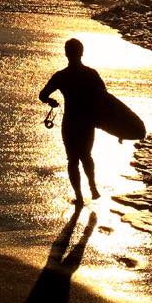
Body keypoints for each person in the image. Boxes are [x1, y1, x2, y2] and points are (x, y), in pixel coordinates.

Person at [39, 38, 106, 206]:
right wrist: (115, 127)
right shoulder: (92, 74)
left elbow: (43, 95)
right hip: (87, 122)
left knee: (73, 161)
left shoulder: (62, 76)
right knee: (86, 156)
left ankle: (80, 197)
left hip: (70, 123)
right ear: (81, 53)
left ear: (66, 53)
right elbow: (105, 98)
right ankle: (92, 187)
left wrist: (51, 101)